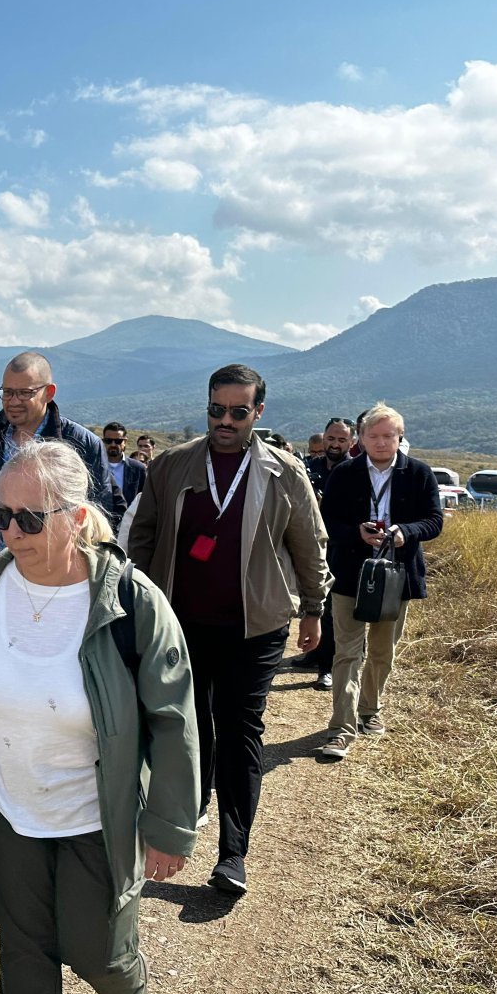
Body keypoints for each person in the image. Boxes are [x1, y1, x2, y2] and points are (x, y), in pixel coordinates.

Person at [0, 440, 198, 994]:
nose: (10, 533)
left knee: (94, 947)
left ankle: (127, 989)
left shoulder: (132, 603)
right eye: (0, 516)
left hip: (94, 812)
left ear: (76, 518)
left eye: (29, 518)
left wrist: (169, 825)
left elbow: (173, 720)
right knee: (23, 950)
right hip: (7, 804)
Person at [126, 363, 328, 896]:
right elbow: (143, 538)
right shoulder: (172, 466)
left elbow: (309, 545)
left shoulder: (285, 473)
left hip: (255, 628)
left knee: (240, 730)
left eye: (239, 412)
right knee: (189, 726)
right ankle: (188, 810)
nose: (226, 421)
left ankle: (232, 853)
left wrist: (313, 608)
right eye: (217, 410)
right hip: (181, 624)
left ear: (258, 412)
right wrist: (137, 605)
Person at [0, 351, 116, 846]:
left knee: (47, 697)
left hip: (58, 591)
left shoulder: (80, 443)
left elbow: (102, 516)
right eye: (6, 392)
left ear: (48, 393)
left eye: (23, 392)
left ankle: (63, 803)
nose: (12, 402)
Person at [317, 404, 442, 759]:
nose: (381, 442)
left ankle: (369, 709)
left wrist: (407, 532)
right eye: (373, 435)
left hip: (395, 577)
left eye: (389, 435)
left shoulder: (418, 473)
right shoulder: (345, 473)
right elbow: (325, 522)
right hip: (350, 575)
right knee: (347, 652)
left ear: (400, 437)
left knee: (383, 651)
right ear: (361, 438)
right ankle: (341, 729)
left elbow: (434, 520)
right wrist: (355, 533)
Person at [293, 417, 356, 690]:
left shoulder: (355, 472)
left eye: (342, 439)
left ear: (352, 442)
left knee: (330, 611)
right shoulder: (311, 467)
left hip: (340, 549)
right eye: (331, 438)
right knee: (310, 603)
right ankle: (314, 654)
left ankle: (326, 668)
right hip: (309, 546)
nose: (335, 444)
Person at [102, 421, 147, 506]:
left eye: (118, 441)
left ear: (125, 442)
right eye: (108, 441)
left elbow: (144, 498)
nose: (113, 444)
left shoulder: (138, 468)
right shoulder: (94, 466)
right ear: (103, 441)